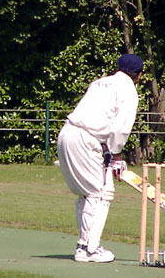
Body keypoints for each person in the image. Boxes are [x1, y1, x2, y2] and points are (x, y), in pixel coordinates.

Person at [57, 53, 143, 262]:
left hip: (67, 134)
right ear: (138, 75)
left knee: (88, 194)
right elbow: (120, 127)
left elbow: (98, 117)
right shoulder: (128, 90)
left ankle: (85, 246)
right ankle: (89, 249)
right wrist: (116, 154)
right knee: (99, 194)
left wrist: (108, 152)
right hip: (86, 139)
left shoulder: (101, 82)